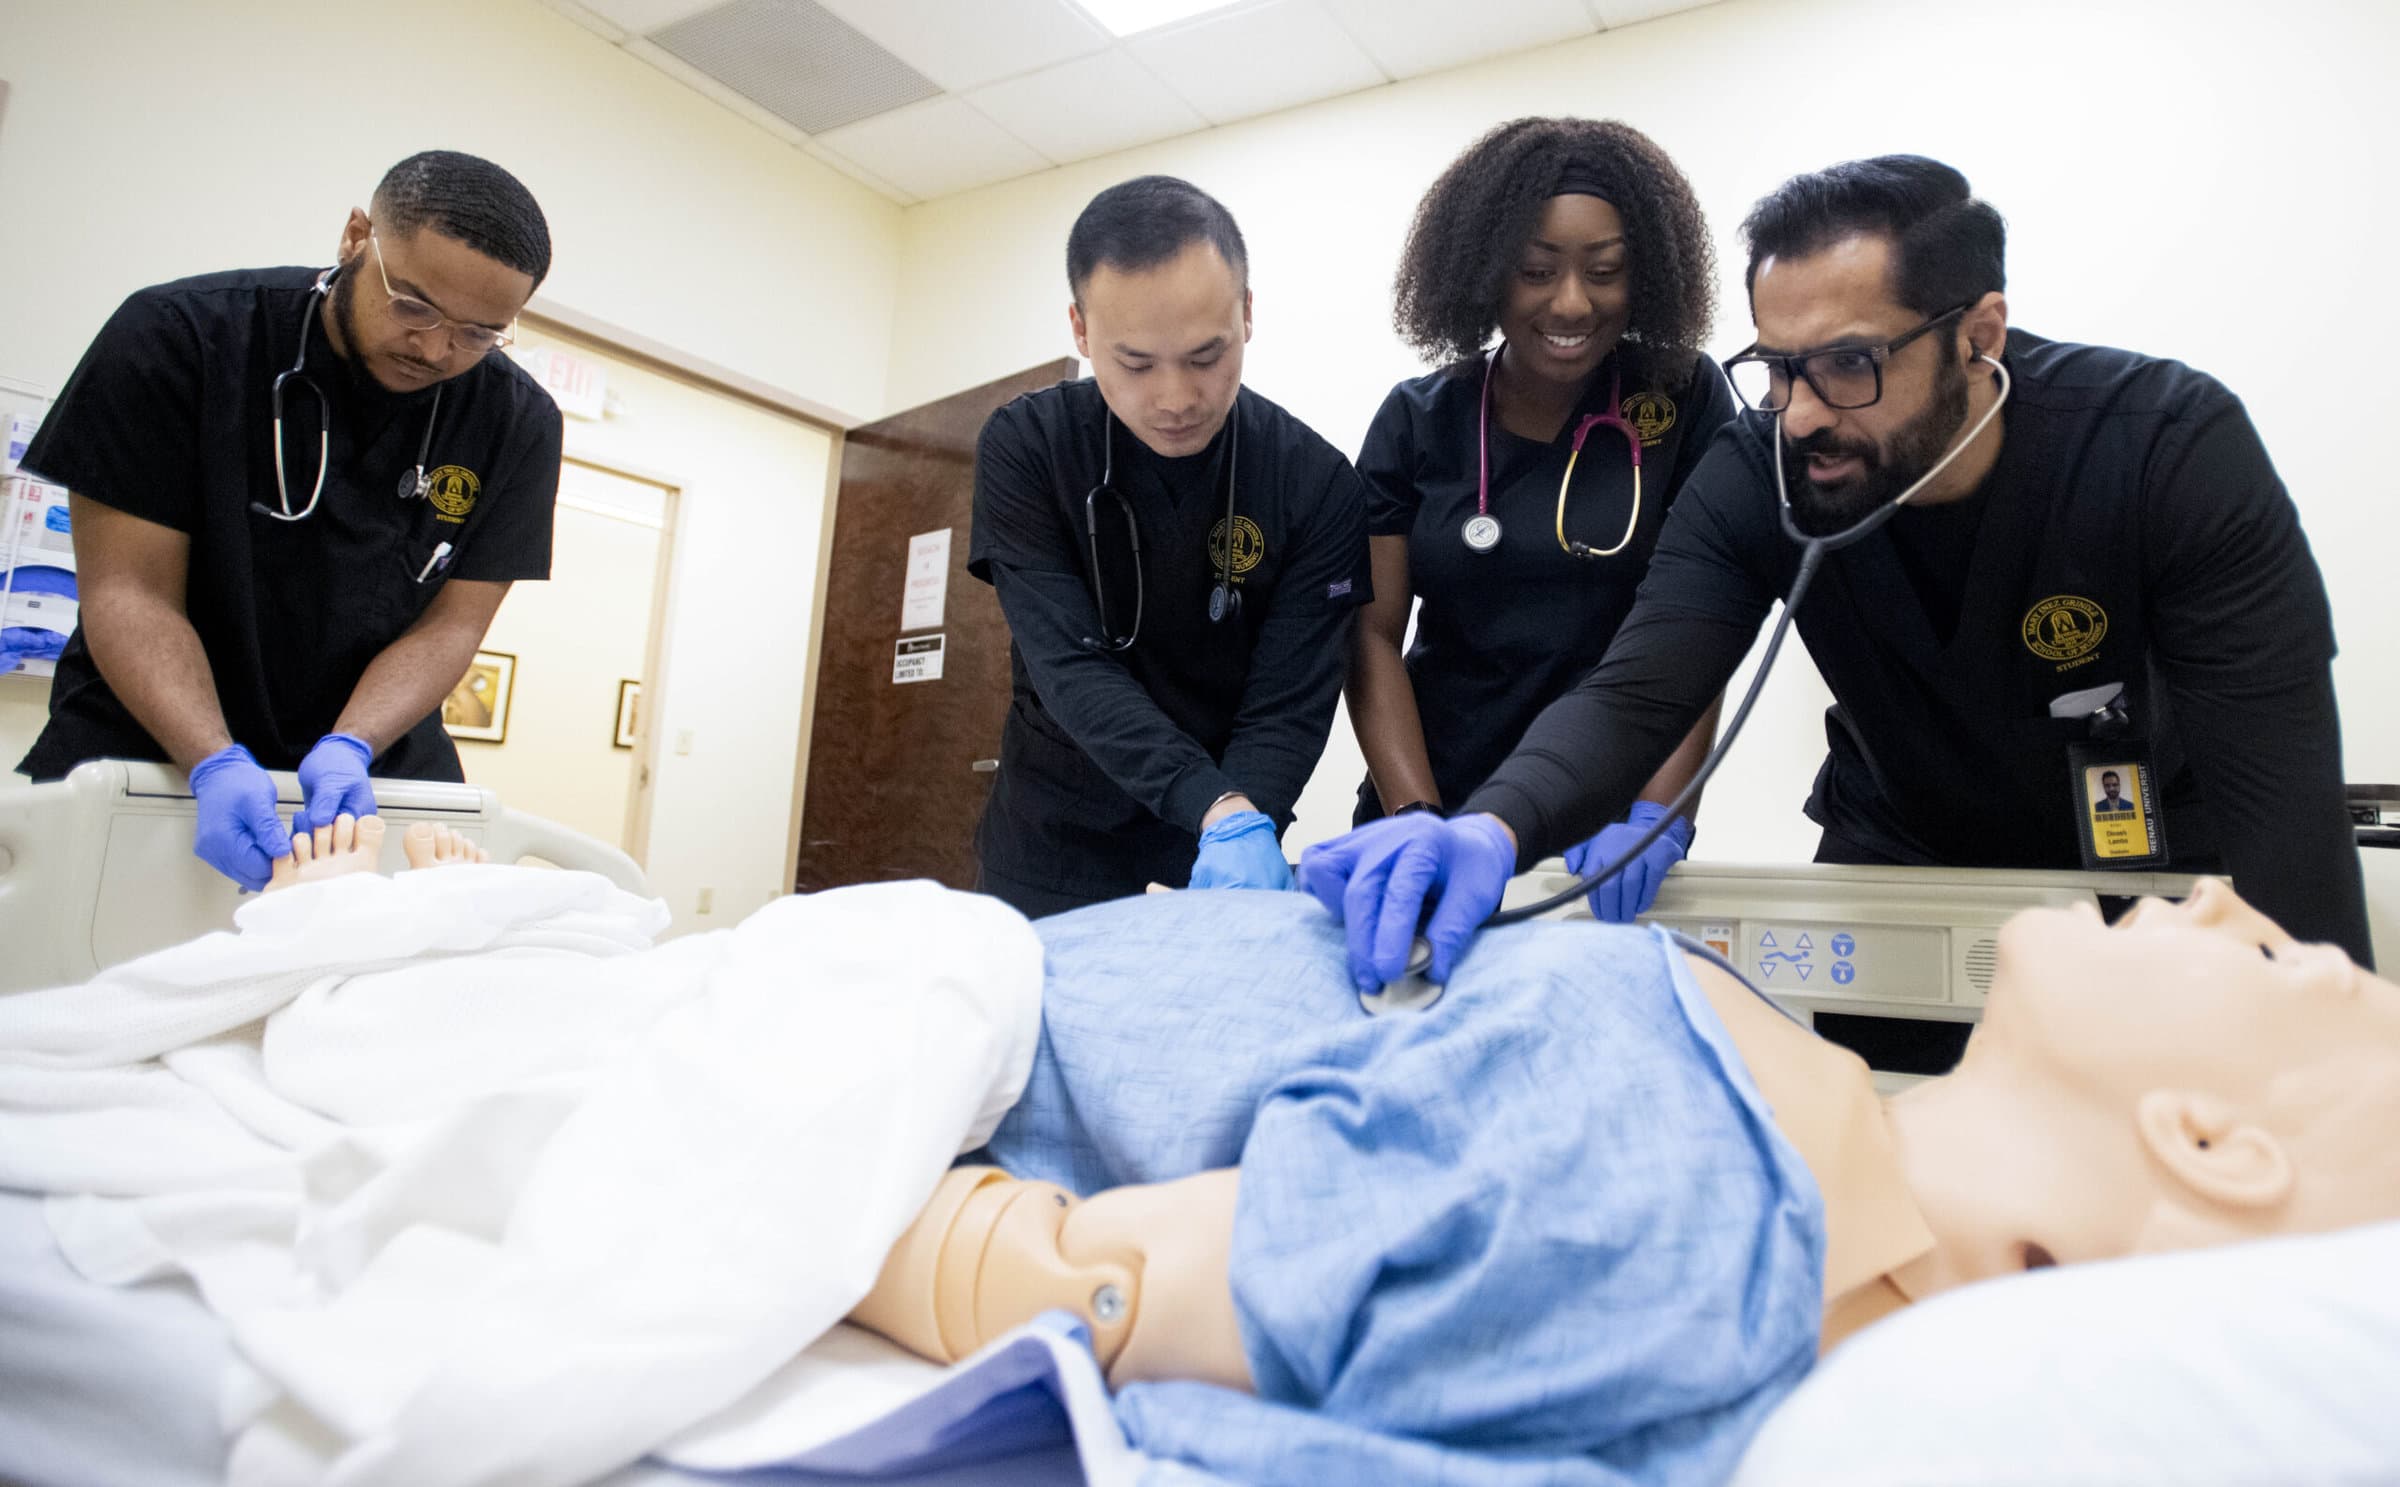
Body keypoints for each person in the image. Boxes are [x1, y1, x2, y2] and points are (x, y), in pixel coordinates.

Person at [845, 879, 2400, 1482]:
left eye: (2281, 958)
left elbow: (1066, 1280)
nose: (2214, 893)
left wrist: (813, 1166)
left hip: (917, 1015)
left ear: (2209, 1142)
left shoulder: (1704, 1173)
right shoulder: (1797, 1154)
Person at [1299, 155, 2371, 996]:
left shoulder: (2164, 447)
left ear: (1976, 335)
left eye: (1849, 364)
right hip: (1897, 840)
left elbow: (2287, 818)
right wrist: (1490, 826)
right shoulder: (1755, 466)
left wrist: (2326, 1049)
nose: (1802, 411)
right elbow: (1639, 689)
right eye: (1776, 366)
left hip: (2140, 845)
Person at [16, 151, 563, 892]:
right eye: (415, 306)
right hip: (145, 748)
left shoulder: (517, 420)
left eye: (478, 334)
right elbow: (130, 591)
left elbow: (452, 626)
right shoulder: (180, 337)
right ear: (355, 237)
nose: (437, 349)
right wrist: (211, 758)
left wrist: (350, 745)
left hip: (367, 772)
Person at [1345, 118, 1738, 922]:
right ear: (1486, 270)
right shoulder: (1418, 421)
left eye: (1606, 271)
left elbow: (1704, 629)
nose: (1572, 302)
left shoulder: (1684, 396)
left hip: (1609, 819)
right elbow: (1371, 634)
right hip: (1436, 802)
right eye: (1535, 270)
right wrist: (1416, 818)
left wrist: (1659, 817)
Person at [967, 176, 1371, 917]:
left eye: (1206, 354)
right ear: (1081, 332)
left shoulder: (1316, 484)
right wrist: (1212, 803)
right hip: (1051, 849)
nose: (1178, 397)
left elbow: (1287, 702)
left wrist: (1241, 820)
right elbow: (1070, 665)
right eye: (1137, 363)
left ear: (1247, 315)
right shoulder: (1028, 449)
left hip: (1228, 850)